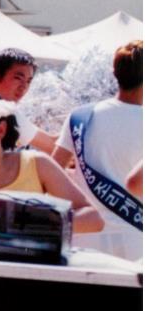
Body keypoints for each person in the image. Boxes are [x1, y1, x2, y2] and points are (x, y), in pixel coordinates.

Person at [0, 92, 104, 232]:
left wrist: (39, 223)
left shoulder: (37, 165)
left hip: (26, 271)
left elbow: (93, 218)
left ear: (0, 130)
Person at [53, 40, 143, 261]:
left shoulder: (80, 117)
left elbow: (52, 170)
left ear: (114, 73)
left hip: (85, 235)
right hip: (136, 237)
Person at [0, 48, 57, 152]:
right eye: (18, 78)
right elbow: (52, 146)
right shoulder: (3, 111)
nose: (24, 87)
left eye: (28, 81)